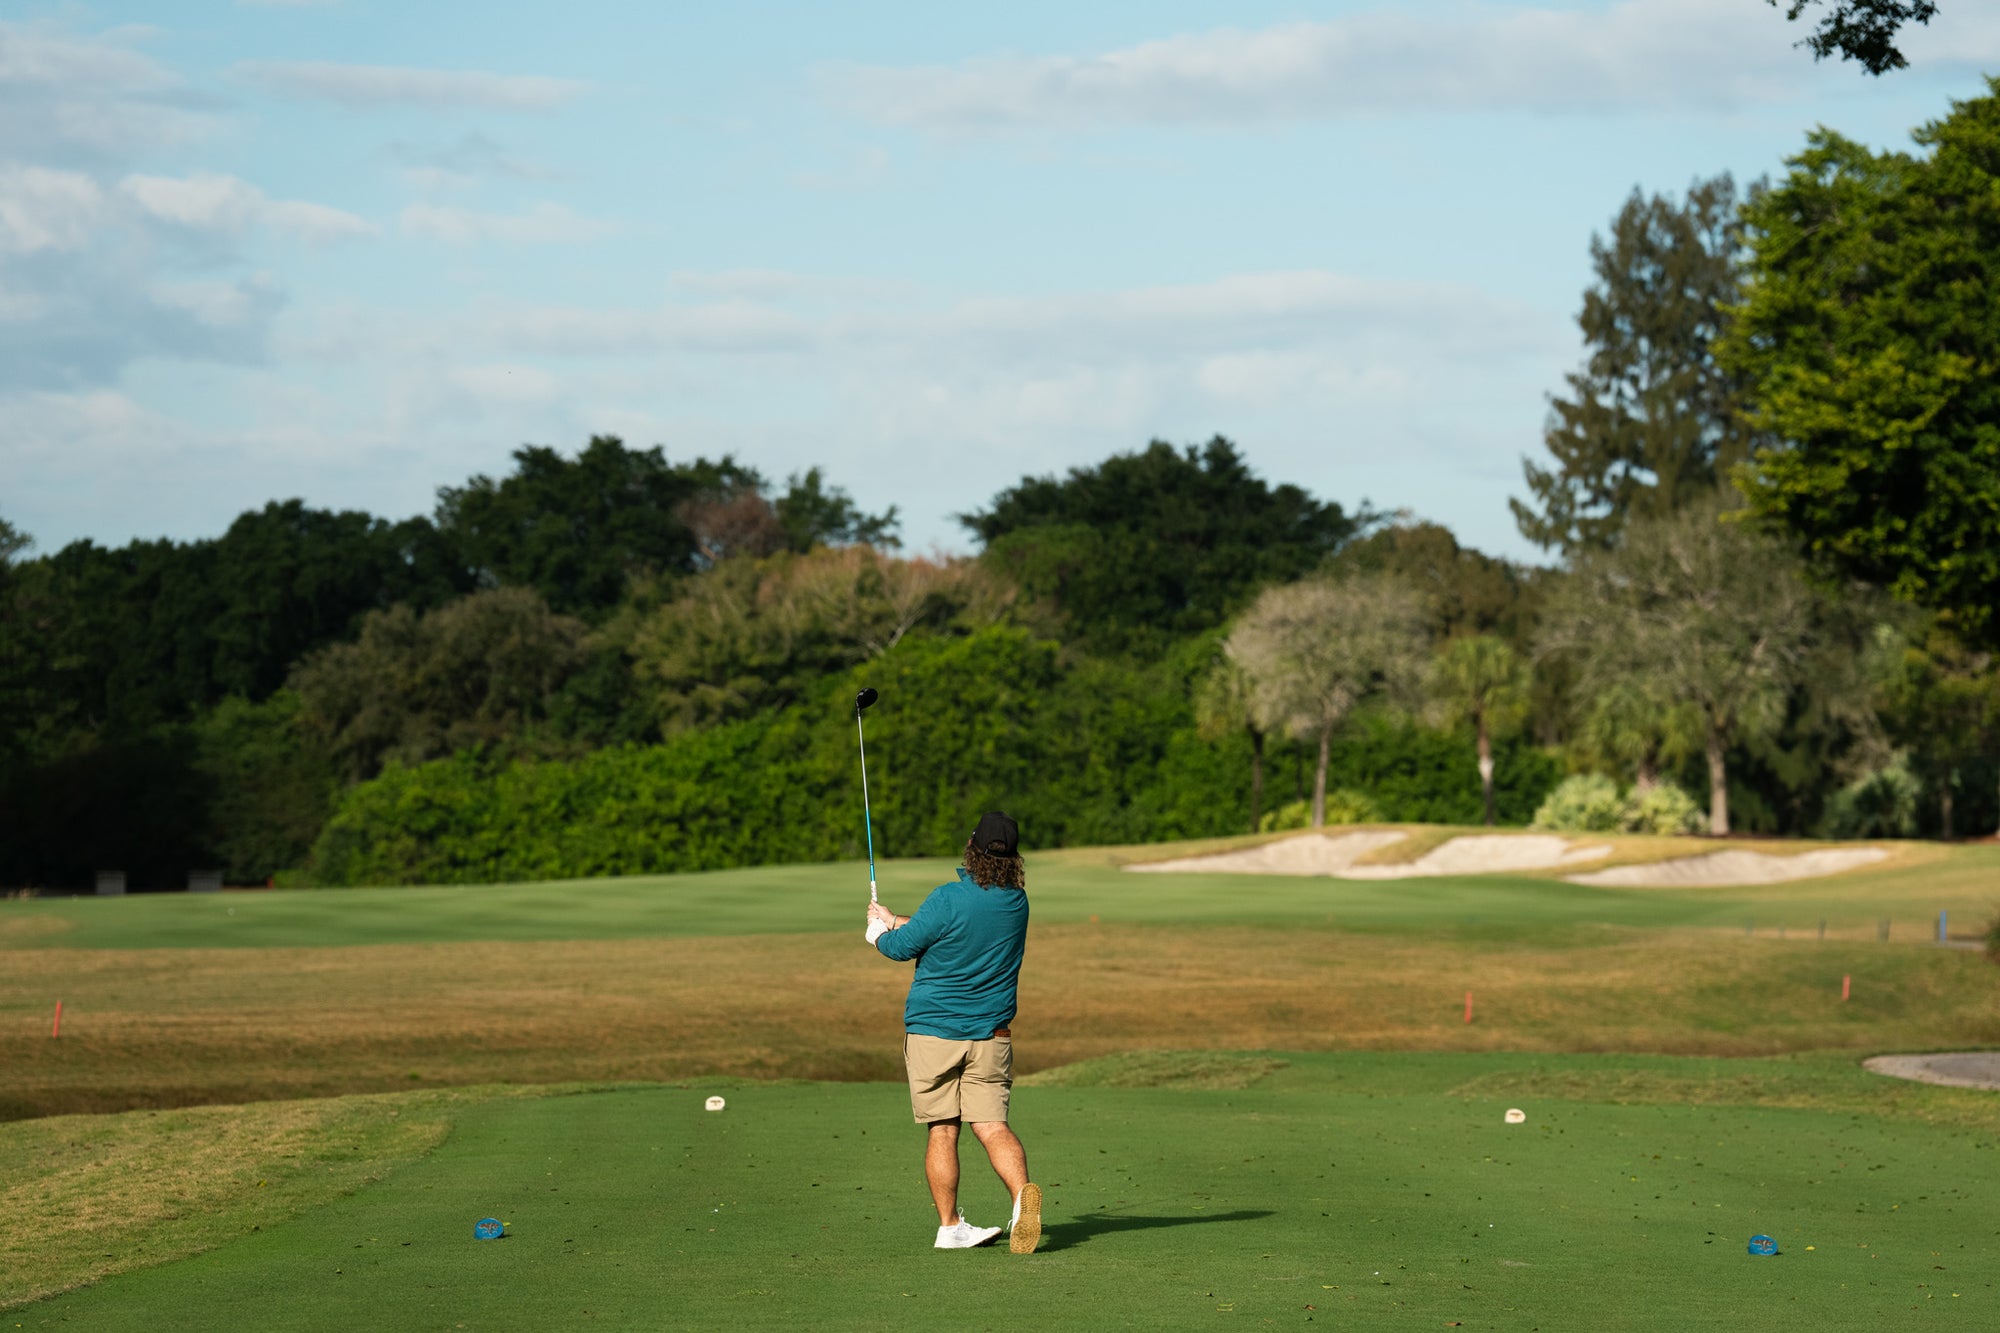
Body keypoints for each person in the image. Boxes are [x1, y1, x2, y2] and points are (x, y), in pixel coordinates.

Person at [866, 810, 1042, 1253]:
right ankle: (1023, 1201)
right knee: (993, 1126)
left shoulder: (947, 898)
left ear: (972, 847)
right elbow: (946, 930)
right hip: (991, 1036)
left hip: (934, 1032)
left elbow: (906, 947)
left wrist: (877, 934)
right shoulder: (1016, 903)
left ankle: (949, 1227)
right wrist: (893, 917)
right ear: (1013, 859)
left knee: (943, 1129)